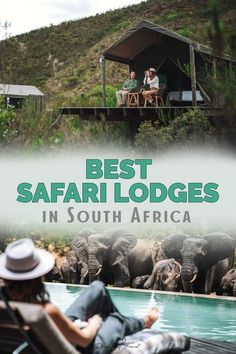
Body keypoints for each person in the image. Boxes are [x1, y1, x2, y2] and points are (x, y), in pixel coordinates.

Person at [0, 238, 159, 354]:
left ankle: (118, 316)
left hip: (49, 336)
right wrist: (94, 323)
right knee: (113, 319)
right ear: (38, 276)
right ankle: (144, 322)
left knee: (97, 287)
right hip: (82, 347)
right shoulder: (46, 311)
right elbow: (84, 339)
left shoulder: (5, 307)